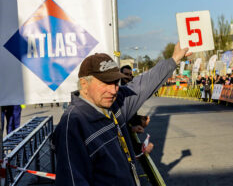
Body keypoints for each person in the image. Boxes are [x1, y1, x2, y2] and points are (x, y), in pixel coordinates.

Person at [52, 42, 190, 186]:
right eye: (105, 83)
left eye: (115, 83)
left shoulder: (115, 103)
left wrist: (174, 60)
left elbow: (142, 85)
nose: (113, 90)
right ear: (84, 84)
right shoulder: (73, 124)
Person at [120, 65, 154, 155]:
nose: (128, 77)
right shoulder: (118, 95)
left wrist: (140, 121)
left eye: (130, 75)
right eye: (126, 74)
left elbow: (130, 117)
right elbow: (117, 125)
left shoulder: (130, 92)